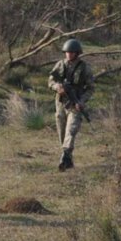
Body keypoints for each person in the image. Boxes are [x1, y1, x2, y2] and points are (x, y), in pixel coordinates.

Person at [48, 38, 94, 171]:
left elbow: (91, 88)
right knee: (62, 132)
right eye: (67, 52)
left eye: (72, 52)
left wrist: (82, 101)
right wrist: (57, 87)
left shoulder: (84, 67)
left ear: (77, 53)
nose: (69, 54)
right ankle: (68, 159)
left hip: (75, 103)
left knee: (71, 130)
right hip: (61, 103)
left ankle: (64, 157)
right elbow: (50, 81)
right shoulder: (60, 65)